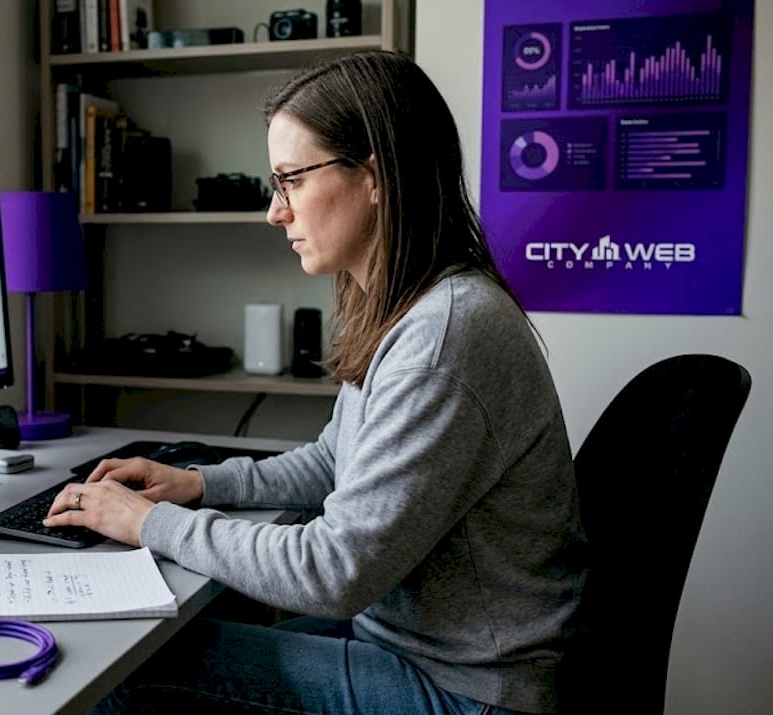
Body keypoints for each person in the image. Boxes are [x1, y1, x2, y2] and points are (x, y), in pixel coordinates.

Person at [44, 50, 585, 715]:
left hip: (466, 690)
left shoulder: (442, 337)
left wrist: (153, 522)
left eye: (291, 180)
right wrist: (201, 482)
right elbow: (337, 461)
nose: (275, 211)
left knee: (115, 667)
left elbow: (333, 571)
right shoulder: (408, 306)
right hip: (415, 644)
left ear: (375, 177)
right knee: (156, 638)